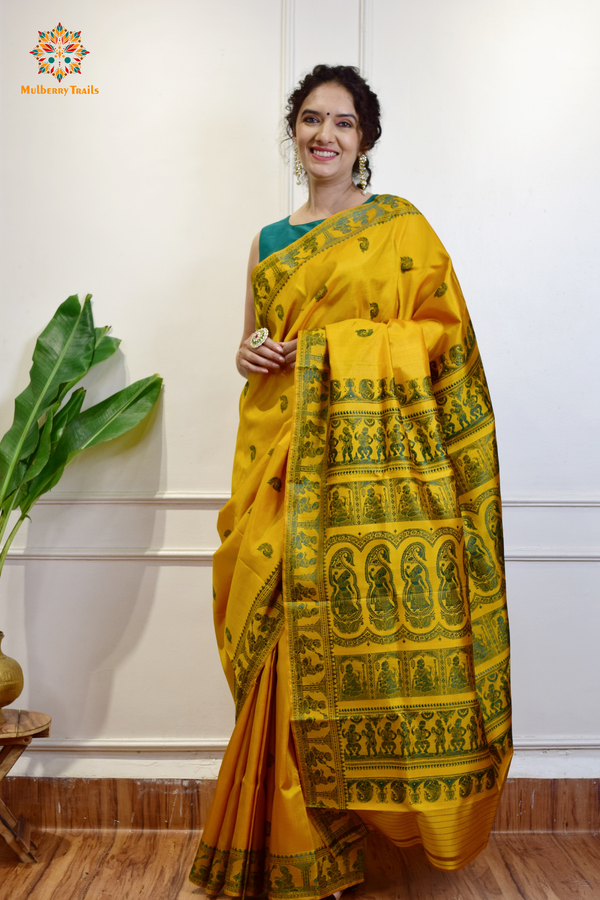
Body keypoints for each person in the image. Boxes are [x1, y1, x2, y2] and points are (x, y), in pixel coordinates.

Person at [190, 64, 512, 899]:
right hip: (282, 466)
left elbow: (443, 341)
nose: (323, 135)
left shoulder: (402, 229)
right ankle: (299, 850)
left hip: (374, 483)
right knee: (282, 649)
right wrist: (246, 353)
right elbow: (257, 345)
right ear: (293, 133)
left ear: (365, 139)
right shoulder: (267, 242)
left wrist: (338, 352)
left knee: (365, 653)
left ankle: (365, 839)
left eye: (340, 122)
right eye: (309, 120)